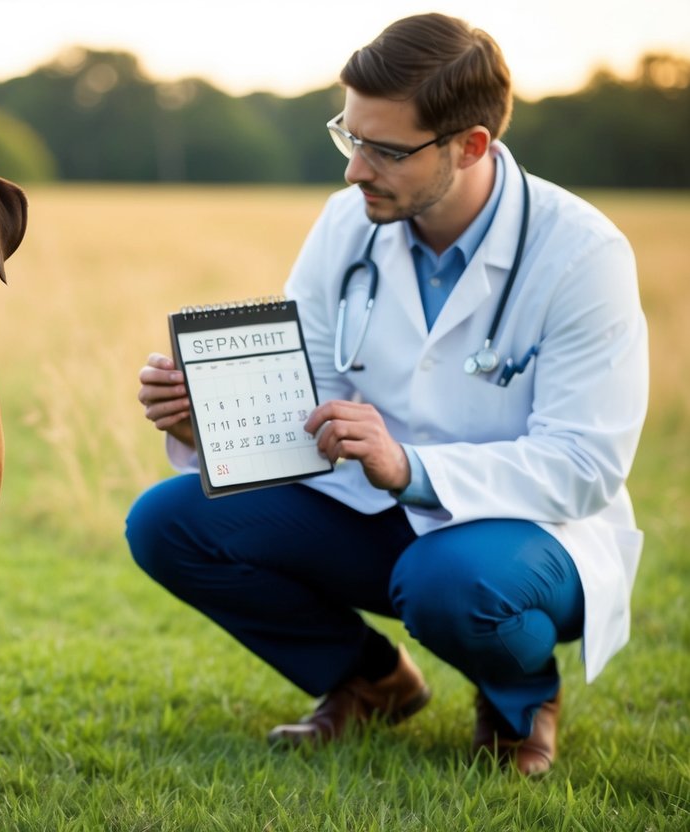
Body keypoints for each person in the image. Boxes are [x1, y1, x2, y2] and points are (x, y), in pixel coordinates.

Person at [125, 12, 648, 775]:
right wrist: (210, 427)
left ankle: (518, 700)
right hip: (378, 511)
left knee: (446, 579)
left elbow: (583, 465)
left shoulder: (582, 255)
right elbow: (313, 396)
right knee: (169, 521)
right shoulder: (348, 224)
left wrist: (412, 467)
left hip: (530, 537)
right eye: (349, 135)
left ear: (470, 145)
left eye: (384, 150)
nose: (353, 170)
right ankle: (367, 682)